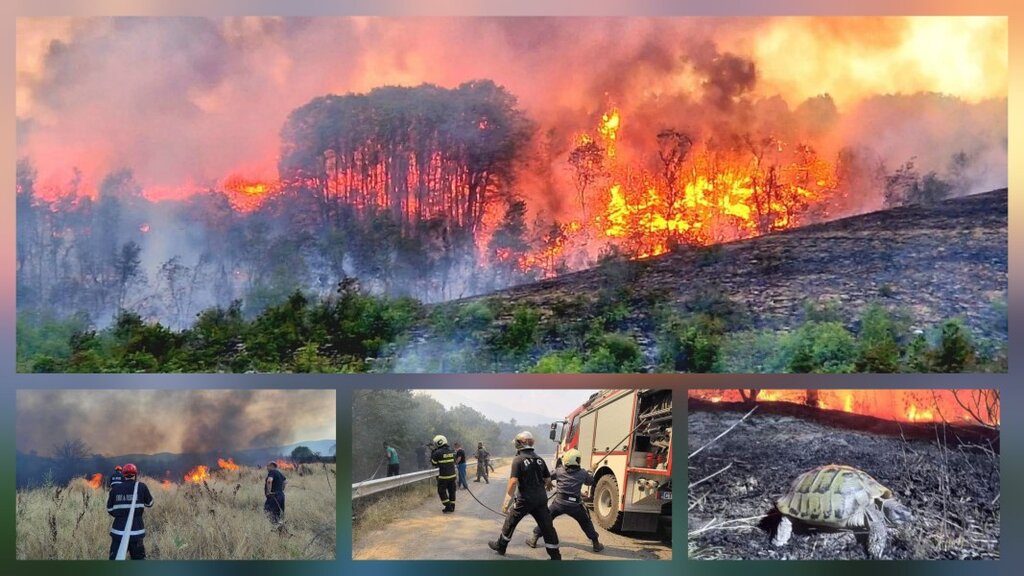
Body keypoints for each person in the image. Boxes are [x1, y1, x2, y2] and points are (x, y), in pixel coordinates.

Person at [488, 431, 560, 560]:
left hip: (524, 500)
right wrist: (545, 486)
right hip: (541, 499)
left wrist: (506, 503)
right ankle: (555, 557)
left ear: (521, 443)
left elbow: (513, 481)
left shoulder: (518, 459)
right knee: (547, 527)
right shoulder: (539, 459)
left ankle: (501, 546)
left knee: (511, 521)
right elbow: (548, 480)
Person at [526, 448, 604, 552]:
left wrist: (546, 483)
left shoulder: (559, 471)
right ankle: (596, 544)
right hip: (575, 506)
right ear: (578, 461)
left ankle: (534, 538)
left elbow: (546, 477)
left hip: (559, 504)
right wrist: (593, 470)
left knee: (546, 520)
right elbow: (590, 482)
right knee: (586, 522)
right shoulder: (583, 473)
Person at [106, 463, 154, 560]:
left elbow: (110, 509)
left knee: (115, 561)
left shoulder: (115, 489)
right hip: (136, 533)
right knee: (139, 562)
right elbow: (150, 504)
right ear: (135, 475)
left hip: (118, 532)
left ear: (123, 475)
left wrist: (120, 515)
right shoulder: (141, 487)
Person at [431, 434, 458, 513]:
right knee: (452, 491)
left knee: (441, 491)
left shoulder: (437, 453)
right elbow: (454, 460)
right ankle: (452, 506)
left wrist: (433, 453)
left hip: (443, 477)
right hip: (453, 475)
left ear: (439, 442)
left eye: (436, 443)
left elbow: (434, 463)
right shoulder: (452, 451)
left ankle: (448, 506)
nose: (435, 445)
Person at [265, 461, 287, 525]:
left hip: (274, 496)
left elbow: (269, 481)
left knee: (268, 511)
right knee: (279, 513)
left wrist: (269, 492)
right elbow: (285, 481)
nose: (267, 468)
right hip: (281, 495)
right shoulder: (279, 473)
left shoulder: (272, 472)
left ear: (272, 466)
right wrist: (281, 489)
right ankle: (279, 527)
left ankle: (273, 526)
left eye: (268, 466)